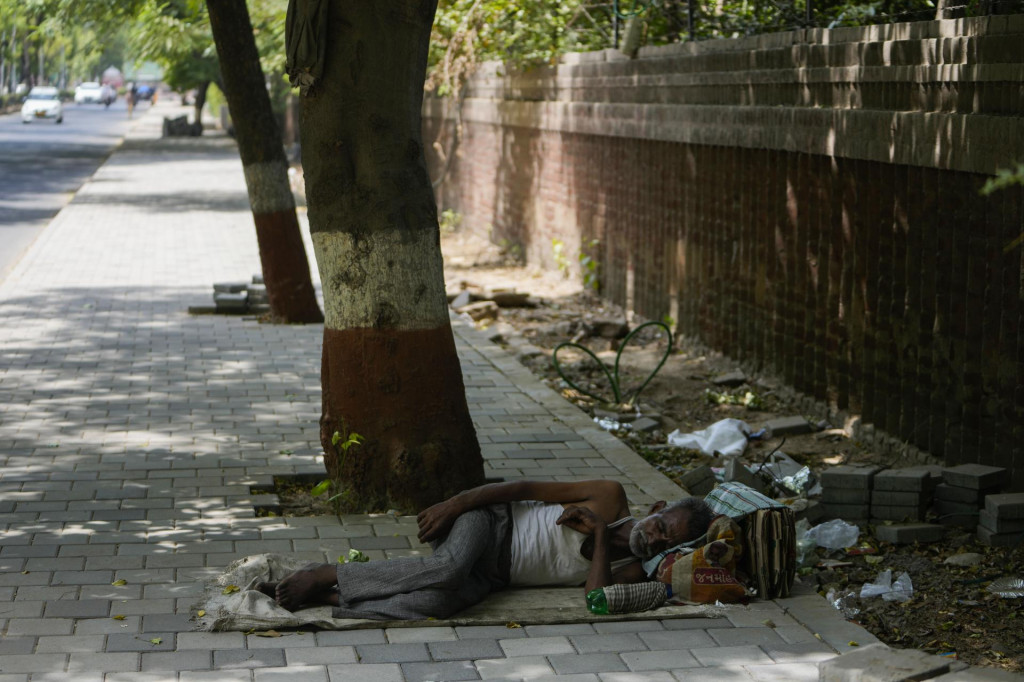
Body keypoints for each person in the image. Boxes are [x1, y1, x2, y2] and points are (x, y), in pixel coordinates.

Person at [257, 479, 713, 620]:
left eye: (664, 542)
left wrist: (597, 538)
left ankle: (331, 600)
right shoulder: (609, 496)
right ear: (655, 508)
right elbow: (524, 485)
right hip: (487, 524)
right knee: (450, 568)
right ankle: (325, 574)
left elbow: (596, 601)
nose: (654, 538)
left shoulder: (634, 569)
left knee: (437, 603)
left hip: (494, 576)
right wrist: (455, 503)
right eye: (660, 525)